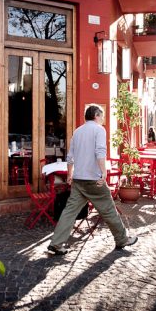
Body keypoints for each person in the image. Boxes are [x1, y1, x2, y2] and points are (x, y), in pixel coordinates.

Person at [47, 105, 137, 255]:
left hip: (78, 179)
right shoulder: (99, 130)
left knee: (69, 212)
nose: (102, 120)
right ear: (96, 115)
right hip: (94, 180)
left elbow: (70, 156)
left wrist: (70, 174)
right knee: (108, 210)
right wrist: (103, 172)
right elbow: (100, 152)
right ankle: (122, 239)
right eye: (101, 116)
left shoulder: (77, 131)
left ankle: (55, 244)